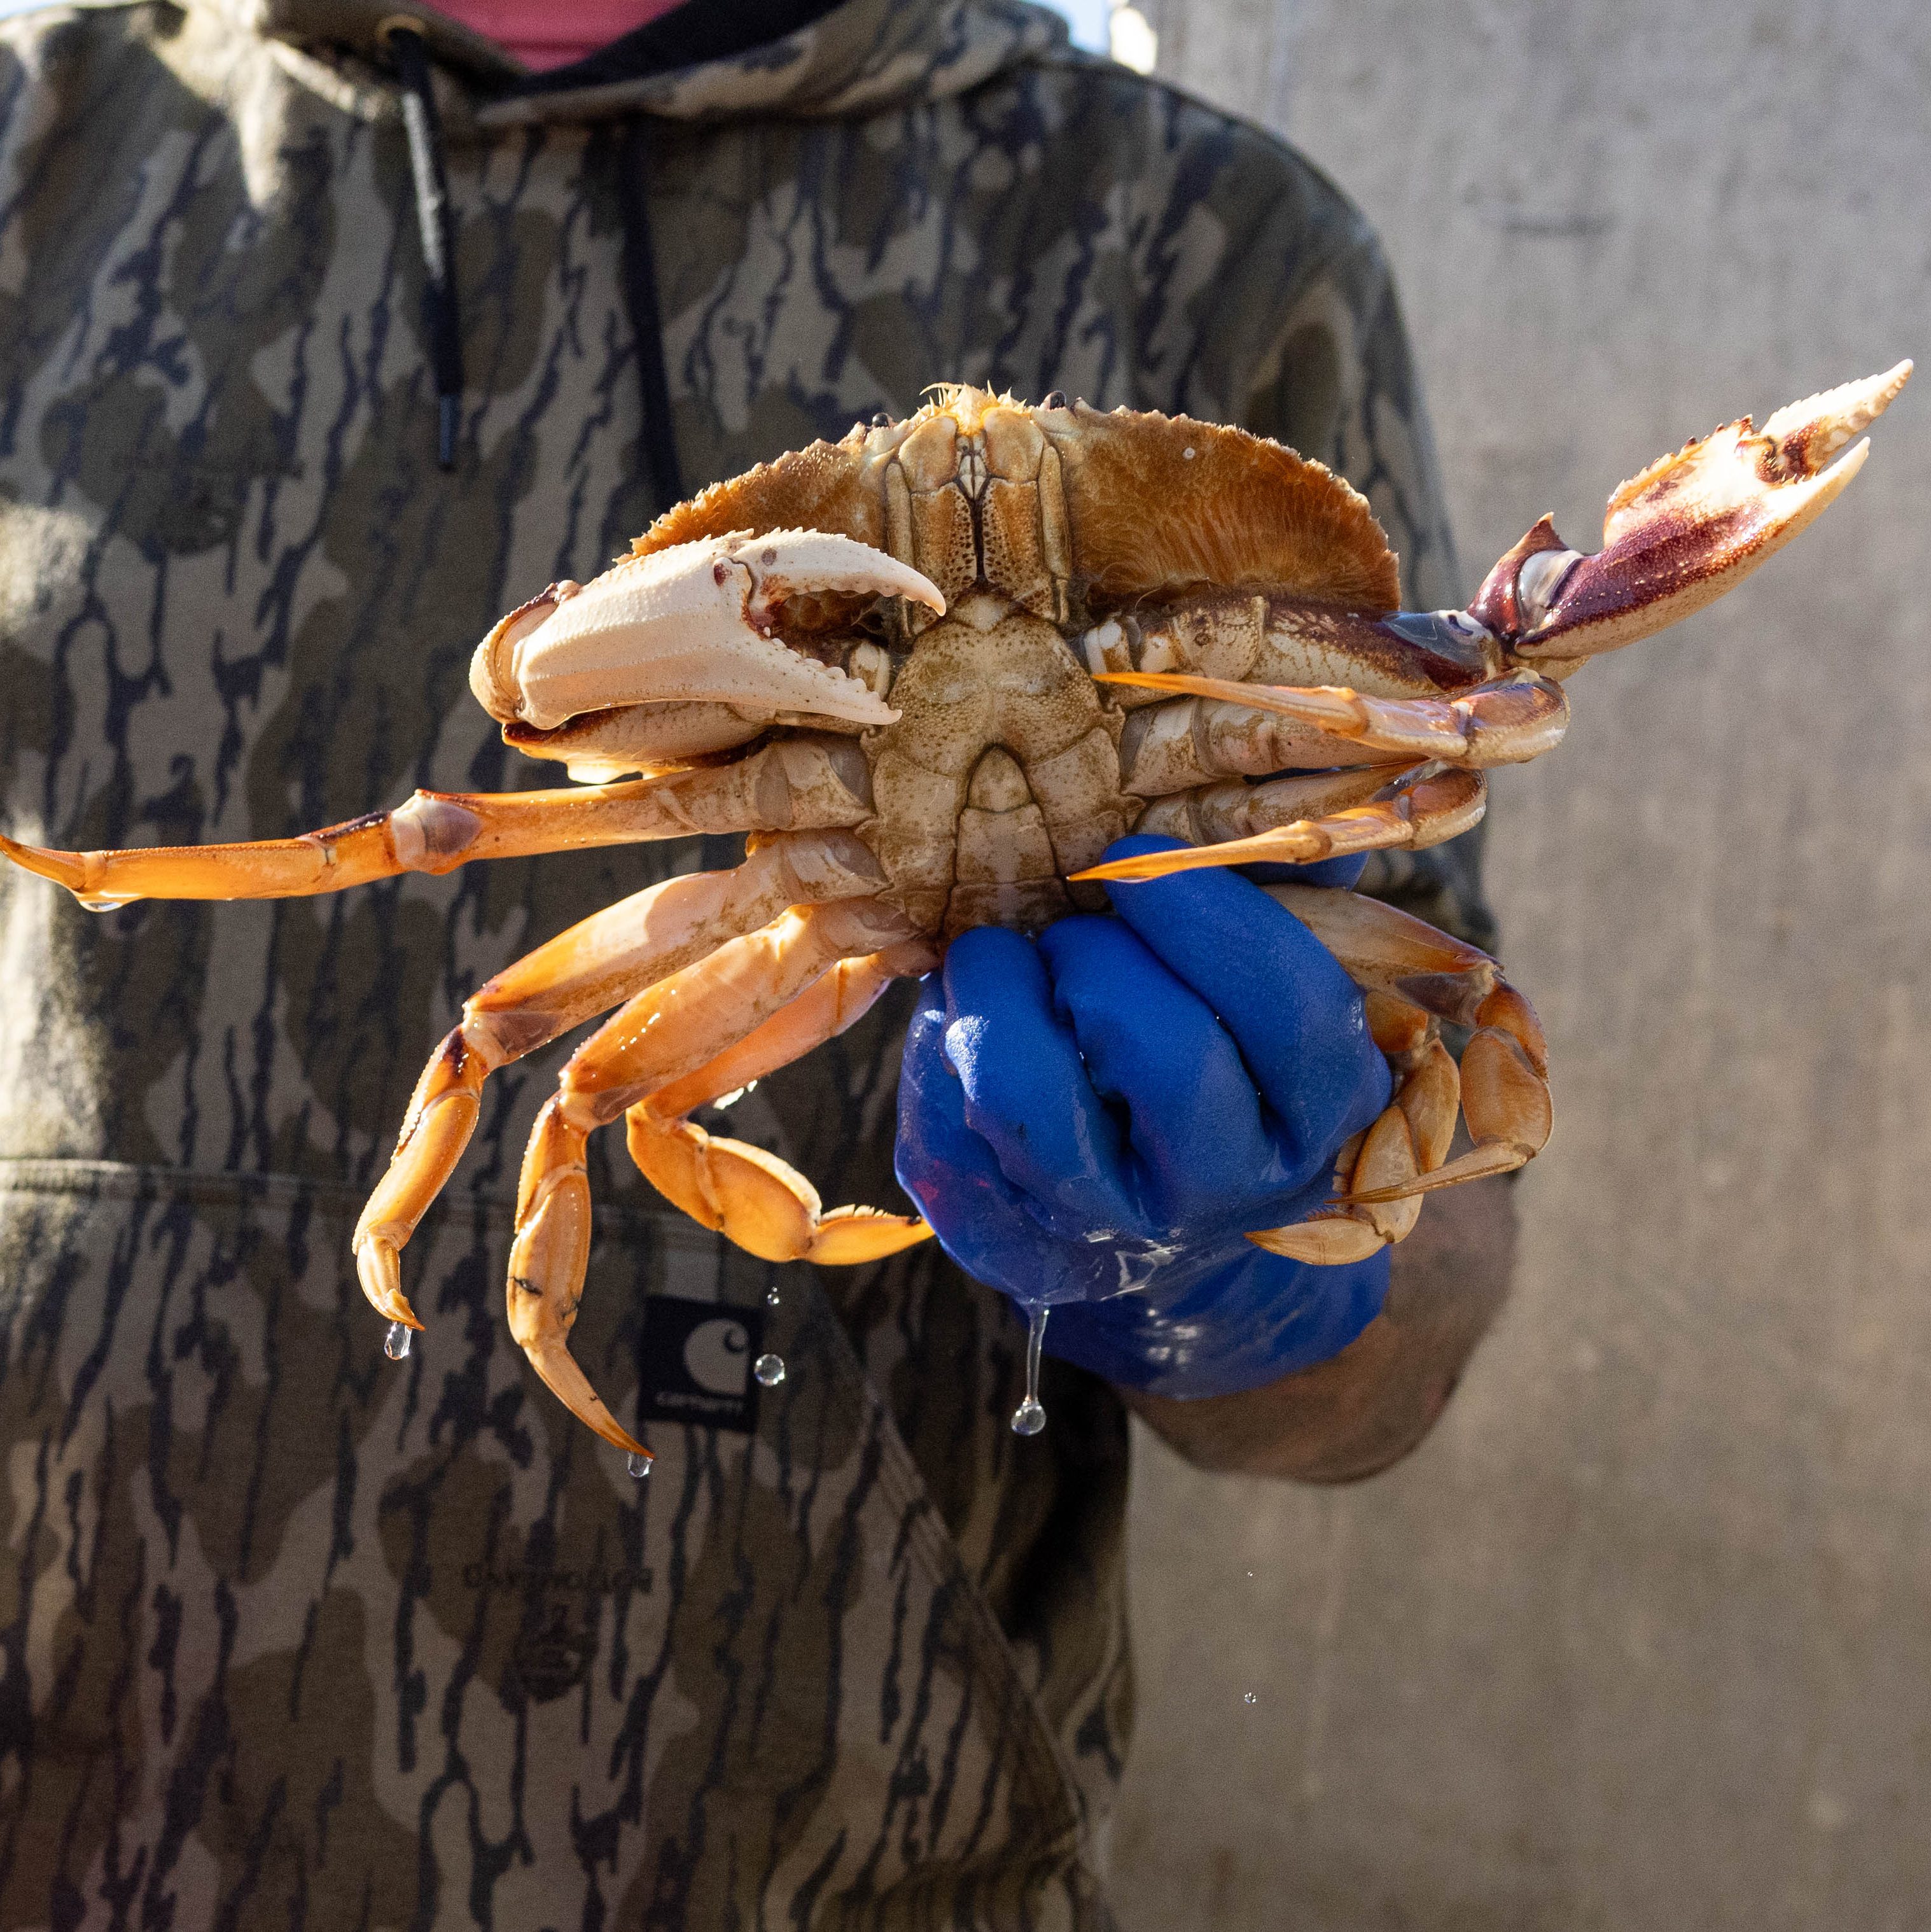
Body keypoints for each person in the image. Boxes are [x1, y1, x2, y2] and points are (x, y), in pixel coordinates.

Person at [0, 0, 1514, 1923]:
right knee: (530, 1059)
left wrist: (1262, 1282)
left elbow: (1449, 1154)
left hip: (847, 1865)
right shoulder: (34, 153)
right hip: (74, 1806)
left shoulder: (1198, 235)